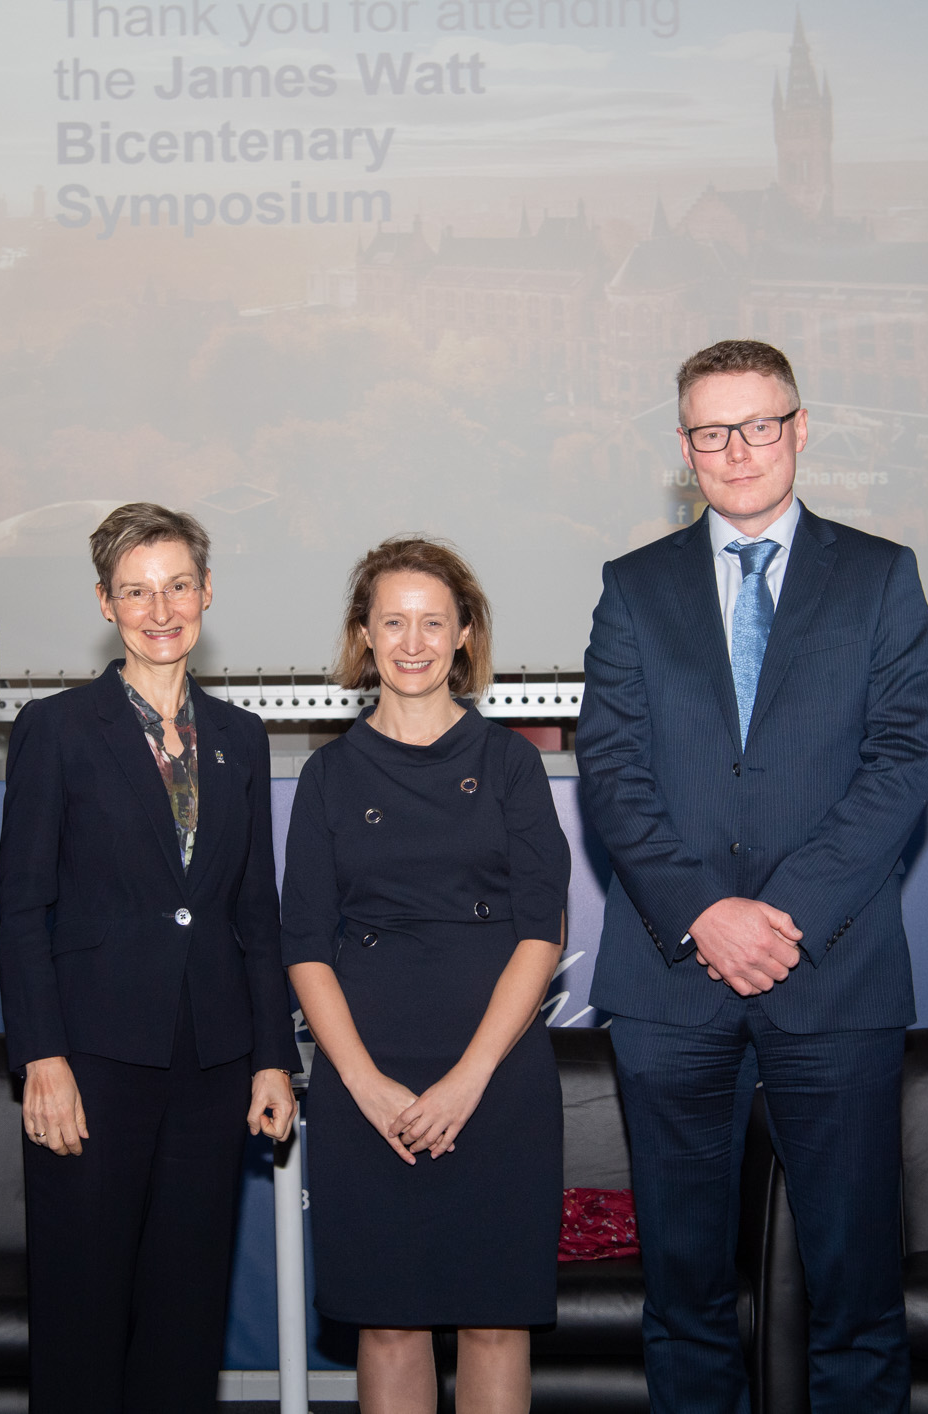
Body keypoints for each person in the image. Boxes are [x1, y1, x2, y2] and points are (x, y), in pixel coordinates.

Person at [574, 339, 928, 1413]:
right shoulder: (631, 589)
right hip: (672, 985)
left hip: (834, 976)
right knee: (684, 1297)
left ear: (802, 427)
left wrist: (782, 917)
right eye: (710, 431)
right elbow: (614, 771)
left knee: (856, 1293)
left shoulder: (882, 574)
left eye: (759, 425)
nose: (736, 449)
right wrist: (704, 914)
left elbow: (900, 763)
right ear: (684, 449)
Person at [0, 503, 297, 1413]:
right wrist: (40, 1058)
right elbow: (21, 907)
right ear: (103, 603)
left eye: (175, 586)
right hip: (91, 1060)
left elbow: (254, 909)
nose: (158, 609)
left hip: (212, 1063)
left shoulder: (242, 739)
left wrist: (273, 1056)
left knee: (185, 1310)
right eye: (134, 591)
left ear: (206, 593)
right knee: (82, 1308)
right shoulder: (54, 729)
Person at [282, 537, 570, 1414]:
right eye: (392, 622)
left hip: (495, 1073)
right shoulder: (328, 775)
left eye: (432, 622)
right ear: (362, 636)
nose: (412, 642)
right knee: (389, 1321)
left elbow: (541, 932)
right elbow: (303, 943)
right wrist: (363, 1085)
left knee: (494, 1321)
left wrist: (466, 1081)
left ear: (465, 634)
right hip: (368, 1074)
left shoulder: (513, 764)